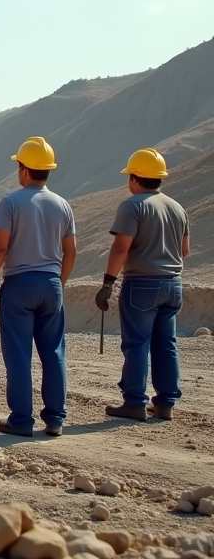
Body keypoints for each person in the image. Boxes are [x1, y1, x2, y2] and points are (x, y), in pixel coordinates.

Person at [0, 136, 77, 438]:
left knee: (19, 355)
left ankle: (21, 421)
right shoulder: (63, 205)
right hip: (51, 284)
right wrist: (58, 283)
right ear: (47, 171)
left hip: (19, 285)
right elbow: (71, 251)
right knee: (54, 353)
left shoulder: (11, 202)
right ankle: (55, 420)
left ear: (23, 169)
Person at [95, 148, 190, 421]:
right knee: (166, 344)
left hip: (141, 284)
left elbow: (120, 247)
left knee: (137, 344)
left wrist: (107, 283)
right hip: (174, 283)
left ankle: (135, 402)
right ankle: (165, 403)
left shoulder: (133, 205)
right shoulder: (177, 207)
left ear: (134, 178)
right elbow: (185, 249)